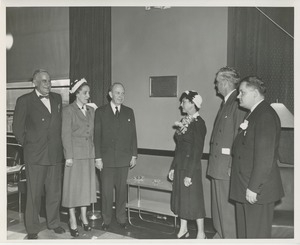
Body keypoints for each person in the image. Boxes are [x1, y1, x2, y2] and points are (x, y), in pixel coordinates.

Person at [12, 69, 65, 239]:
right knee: (34, 194)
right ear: (34, 83)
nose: (48, 84)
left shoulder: (57, 98)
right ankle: (33, 228)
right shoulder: (24, 100)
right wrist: (28, 145)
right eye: (44, 81)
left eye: (49, 81)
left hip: (55, 155)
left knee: (54, 192)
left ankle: (54, 223)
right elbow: (17, 128)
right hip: (35, 155)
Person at [229, 76, 284, 238]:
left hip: (256, 190)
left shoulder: (265, 115)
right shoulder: (254, 114)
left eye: (242, 92)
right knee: (246, 234)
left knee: (256, 236)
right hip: (245, 185)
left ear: (254, 93)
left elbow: (264, 157)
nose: (238, 96)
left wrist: (254, 187)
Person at [207, 67, 246, 238]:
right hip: (218, 165)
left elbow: (240, 137)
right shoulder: (226, 103)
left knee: (227, 210)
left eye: (217, 82)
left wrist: (232, 164)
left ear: (226, 82)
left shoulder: (237, 103)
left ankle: (229, 237)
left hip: (226, 167)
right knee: (218, 208)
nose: (216, 86)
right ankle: (221, 234)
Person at [94, 82, 138, 230]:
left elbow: (133, 135)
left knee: (121, 192)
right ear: (110, 94)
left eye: (123, 93)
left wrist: (134, 155)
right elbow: (97, 136)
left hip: (123, 159)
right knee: (106, 193)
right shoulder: (100, 112)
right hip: (105, 161)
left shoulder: (129, 112)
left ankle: (121, 218)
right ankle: (106, 220)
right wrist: (98, 158)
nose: (121, 96)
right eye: (117, 93)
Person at [61, 78, 98, 237]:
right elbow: (65, 135)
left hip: (88, 155)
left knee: (85, 189)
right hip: (74, 156)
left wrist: (96, 156)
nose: (88, 95)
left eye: (88, 93)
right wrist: (68, 156)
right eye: (85, 93)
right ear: (76, 94)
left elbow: (93, 135)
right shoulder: (68, 110)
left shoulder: (91, 111)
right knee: (72, 189)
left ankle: (83, 217)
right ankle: (72, 219)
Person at [168, 90, 206, 239]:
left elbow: (197, 151)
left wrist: (189, 174)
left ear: (192, 104)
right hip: (180, 165)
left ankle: (201, 233)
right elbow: (179, 148)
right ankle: (183, 228)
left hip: (192, 167)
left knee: (195, 200)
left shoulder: (199, 123)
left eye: (183, 101)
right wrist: (172, 167)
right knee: (182, 199)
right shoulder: (184, 120)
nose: (181, 104)